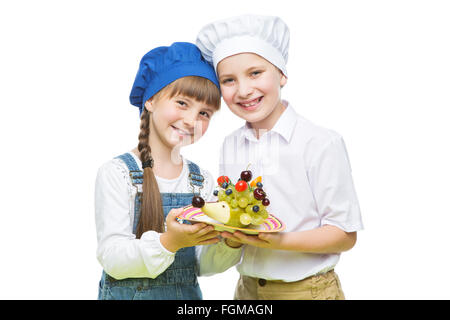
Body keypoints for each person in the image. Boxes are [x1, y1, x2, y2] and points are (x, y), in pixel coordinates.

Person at [196, 15, 364, 300]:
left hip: (307, 290)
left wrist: (277, 240)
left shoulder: (320, 142)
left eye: (255, 73)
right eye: (229, 80)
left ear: (282, 74)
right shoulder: (230, 144)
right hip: (247, 289)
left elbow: (344, 234)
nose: (244, 90)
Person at [95, 42, 240, 300]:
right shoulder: (118, 174)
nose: (191, 120)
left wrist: (232, 241)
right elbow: (112, 257)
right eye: (182, 103)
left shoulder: (201, 182)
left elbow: (201, 265)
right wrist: (170, 242)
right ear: (150, 99)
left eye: (204, 113)